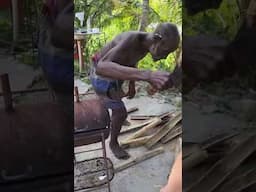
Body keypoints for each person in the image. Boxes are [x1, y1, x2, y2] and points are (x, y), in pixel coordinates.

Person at [90, 23, 180, 159]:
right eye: (165, 51)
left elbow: (131, 60)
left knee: (117, 104)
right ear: (157, 39)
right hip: (102, 75)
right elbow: (101, 67)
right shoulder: (132, 39)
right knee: (120, 113)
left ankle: (114, 117)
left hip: (116, 74)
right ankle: (113, 143)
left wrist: (132, 84)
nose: (165, 57)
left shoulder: (145, 45)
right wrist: (148, 75)